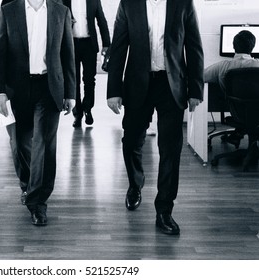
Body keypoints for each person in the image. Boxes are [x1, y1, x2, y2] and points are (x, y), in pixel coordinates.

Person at [107, 0, 204, 235]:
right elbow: (118, 47)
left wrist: (196, 90)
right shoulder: (129, 4)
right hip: (137, 83)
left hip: (172, 85)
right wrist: (113, 91)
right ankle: (135, 184)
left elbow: (194, 47)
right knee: (131, 141)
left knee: (170, 148)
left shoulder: (183, 3)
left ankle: (164, 210)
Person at [0, 0, 76, 226]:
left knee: (43, 144)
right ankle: (28, 186)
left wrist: (70, 93)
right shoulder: (9, 11)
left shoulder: (61, 11)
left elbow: (68, 53)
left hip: (49, 88)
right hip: (16, 88)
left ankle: (38, 202)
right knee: (19, 143)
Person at [204, 30, 259, 145]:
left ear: (233, 46)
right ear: (253, 47)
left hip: (236, 113)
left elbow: (200, 77)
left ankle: (239, 134)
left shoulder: (223, 66)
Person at [62, 0, 110, 127]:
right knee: (74, 80)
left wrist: (106, 44)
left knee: (89, 79)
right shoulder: (63, 0)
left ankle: (87, 108)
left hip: (89, 44)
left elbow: (101, 20)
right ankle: (77, 114)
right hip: (70, 45)